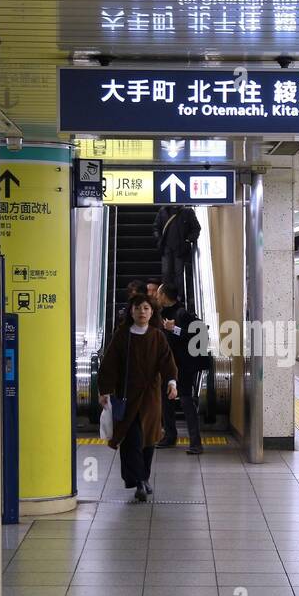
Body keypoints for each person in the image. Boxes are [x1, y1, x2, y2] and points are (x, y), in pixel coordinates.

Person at [98, 294, 179, 501]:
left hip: (151, 397)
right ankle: (139, 481)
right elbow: (109, 365)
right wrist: (104, 391)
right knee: (131, 439)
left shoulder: (157, 336)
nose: (142, 312)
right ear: (131, 311)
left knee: (149, 439)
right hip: (127, 397)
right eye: (137, 308)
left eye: (146, 308)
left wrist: (171, 382)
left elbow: (167, 362)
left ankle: (143, 478)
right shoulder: (122, 336)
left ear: (152, 312)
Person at [155, 283, 204, 454]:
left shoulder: (182, 313)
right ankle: (170, 436)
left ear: (164, 296)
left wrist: (174, 329)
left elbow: (197, 333)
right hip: (168, 365)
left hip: (183, 366)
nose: (156, 297)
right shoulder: (162, 313)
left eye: (158, 294)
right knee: (166, 400)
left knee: (185, 401)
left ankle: (196, 443)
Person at [153, 205, 200, 300]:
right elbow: (156, 227)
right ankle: (166, 296)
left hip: (180, 249)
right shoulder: (163, 211)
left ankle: (179, 296)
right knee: (166, 273)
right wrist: (159, 239)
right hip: (166, 248)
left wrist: (188, 240)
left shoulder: (187, 212)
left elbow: (196, 228)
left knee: (179, 273)